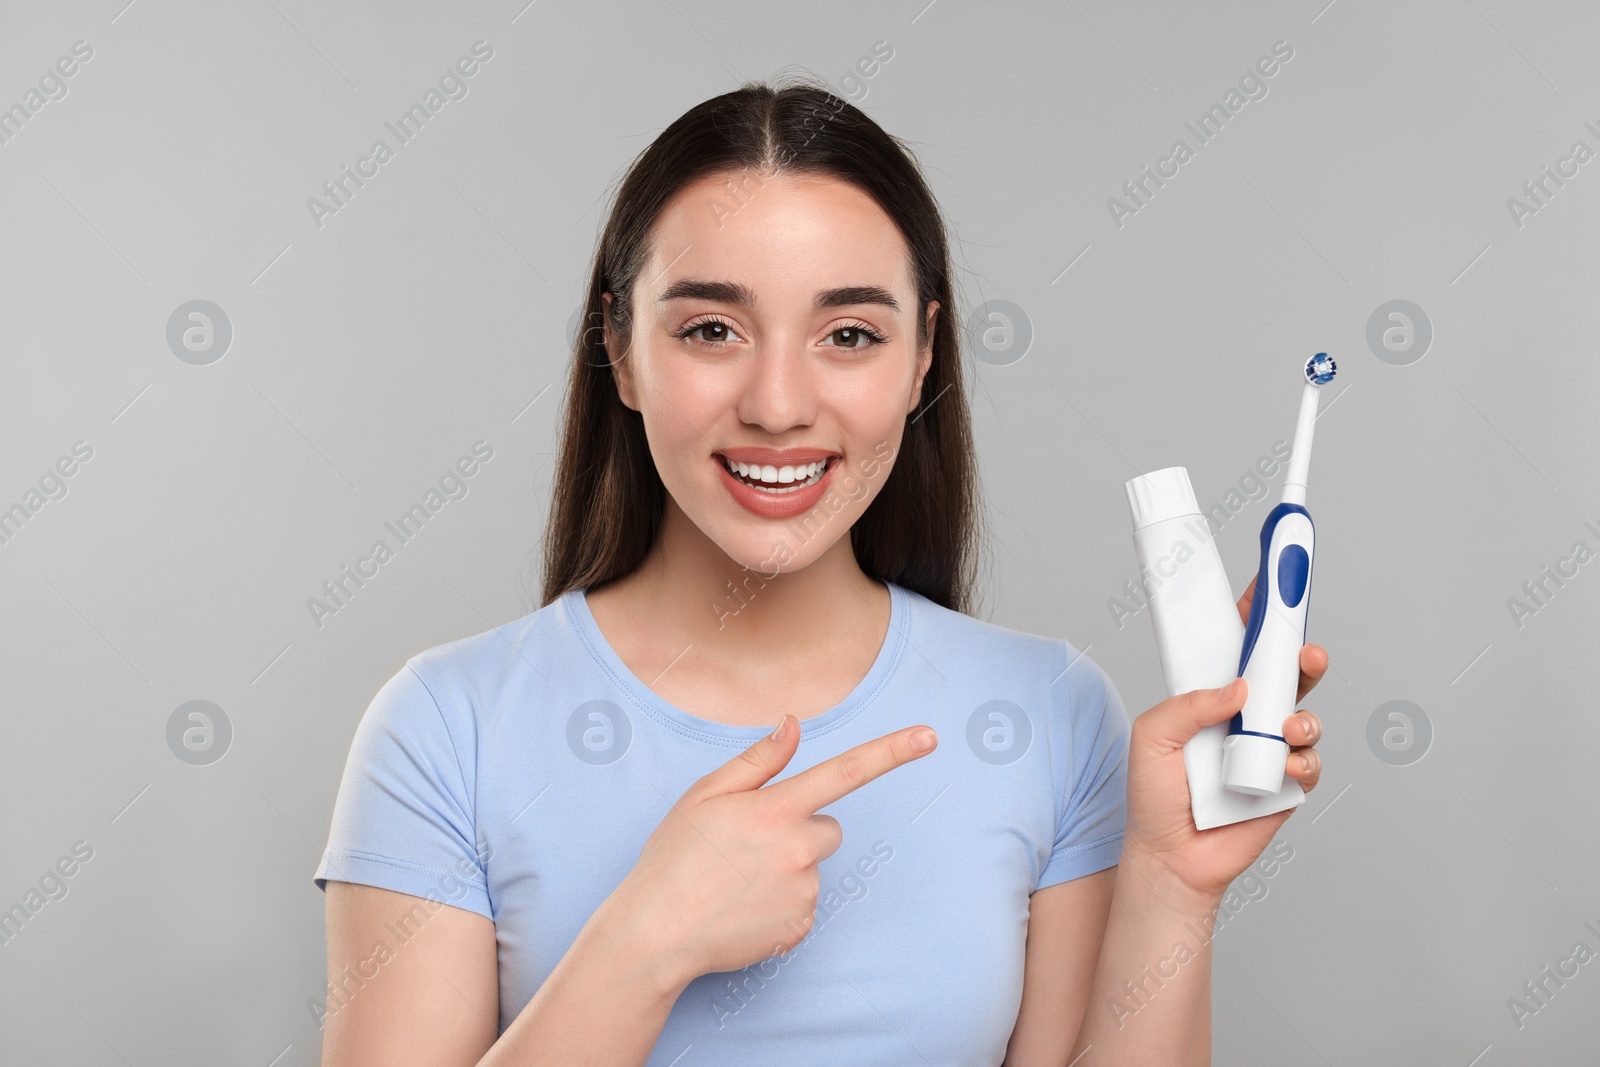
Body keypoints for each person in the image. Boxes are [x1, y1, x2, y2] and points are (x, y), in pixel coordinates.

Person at [312, 75, 1327, 1066]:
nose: (779, 402)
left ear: (923, 354)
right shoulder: (446, 729)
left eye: (849, 334)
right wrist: (643, 942)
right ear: (619, 349)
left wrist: (1170, 885)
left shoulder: (1052, 711)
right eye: (711, 328)